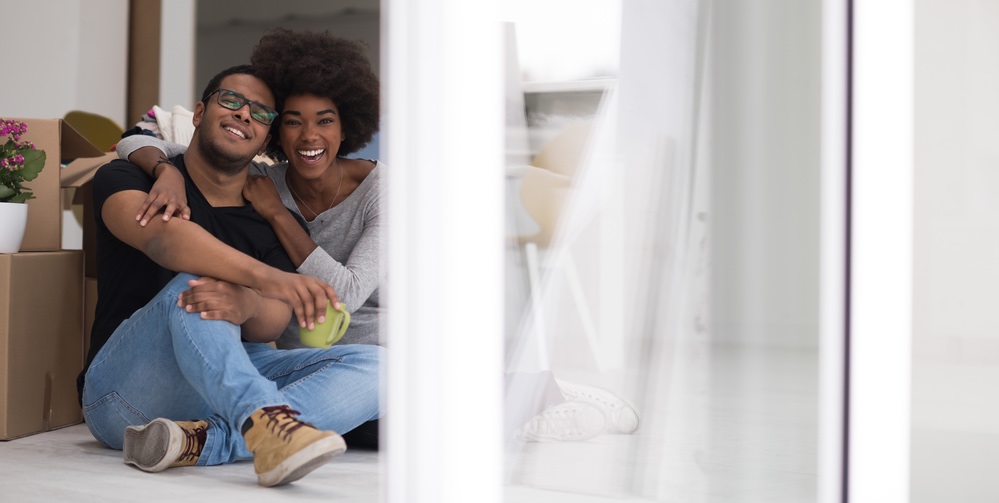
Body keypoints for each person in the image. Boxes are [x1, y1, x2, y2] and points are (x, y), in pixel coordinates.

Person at [116, 28, 638, 445]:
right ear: (276, 133)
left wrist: (278, 217)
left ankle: (536, 395)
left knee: (390, 418)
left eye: (326, 121)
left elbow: (342, 297)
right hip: (310, 352)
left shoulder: (381, 189)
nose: (310, 137)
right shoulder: (263, 180)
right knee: (365, 428)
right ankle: (507, 404)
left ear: (349, 127)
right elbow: (139, 135)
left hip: (385, 345)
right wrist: (164, 170)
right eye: (293, 123)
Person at [81, 64, 383, 487]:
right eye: (232, 101)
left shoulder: (262, 216)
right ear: (200, 113)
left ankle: (212, 441)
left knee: (385, 368)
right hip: (122, 394)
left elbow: (275, 320)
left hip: (216, 389)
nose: (245, 115)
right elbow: (164, 241)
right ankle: (264, 426)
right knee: (199, 284)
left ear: (266, 138)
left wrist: (252, 303)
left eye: (261, 114)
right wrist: (266, 281)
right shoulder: (128, 177)